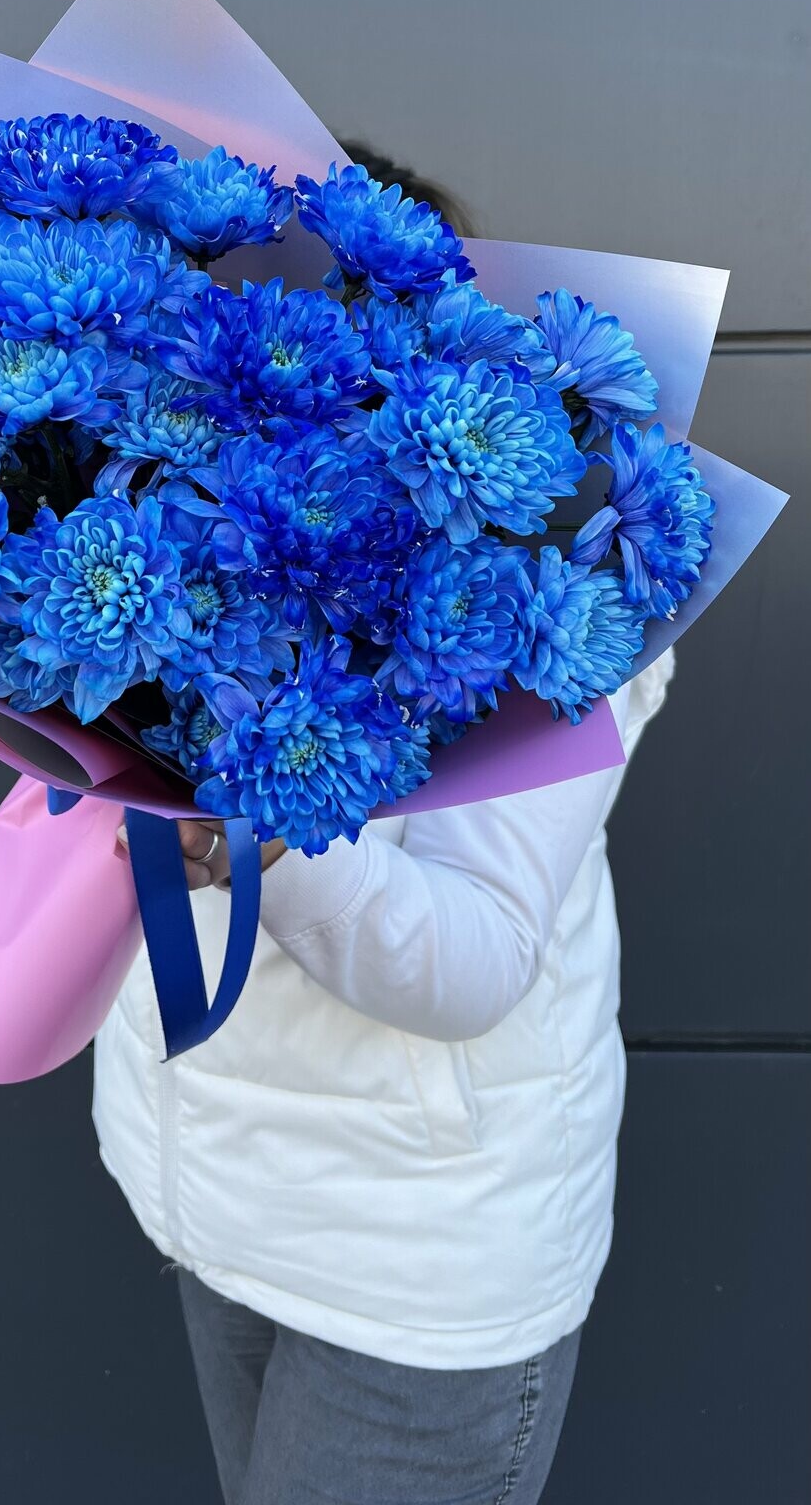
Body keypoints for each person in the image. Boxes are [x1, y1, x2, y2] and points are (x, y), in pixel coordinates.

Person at [95, 147, 673, 1504]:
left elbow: (471, 961)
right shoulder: (157, 524)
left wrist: (278, 845)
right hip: (213, 1201)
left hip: (417, 1273)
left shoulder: (554, 606)